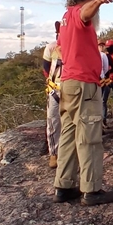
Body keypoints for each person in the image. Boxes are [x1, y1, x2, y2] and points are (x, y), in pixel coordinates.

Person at [53, 0, 113, 206]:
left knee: (69, 136)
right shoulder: (79, 14)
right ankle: (92, 191)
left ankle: (63, 186)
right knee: (89, 138)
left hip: (69, 84)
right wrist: (100, 0)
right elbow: (86, 12)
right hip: (83, 85)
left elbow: (63, 45)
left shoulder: (65, 17)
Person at [43, 22, 63, 169]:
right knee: (53, 120)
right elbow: (46, 68)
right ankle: (53, 153)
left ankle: (68, 152)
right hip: (55, 89)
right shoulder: (51, 47)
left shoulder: (76, 46)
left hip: (72, 89)